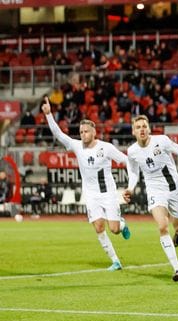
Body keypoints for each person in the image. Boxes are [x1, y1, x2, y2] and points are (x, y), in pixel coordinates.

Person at [42, 97, 131, 271]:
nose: (83, 135)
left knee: (113, 229)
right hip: (91, 195)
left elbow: (126, 161)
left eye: (86, 132)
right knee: (98, 227)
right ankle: (115, 261)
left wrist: (132, 182)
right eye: (81, 132)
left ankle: (122, 224)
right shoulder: (76, 146)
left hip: (108, 193)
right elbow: (59, 135)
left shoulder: (106, 148)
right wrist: (48, 115)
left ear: (94, 132)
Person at [123, 115, 178, 284]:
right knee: (162, 226)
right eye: (138, 127)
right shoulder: (132, 151)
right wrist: (130, 188)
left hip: (173, 188)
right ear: (133, 131)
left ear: (149, 129)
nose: (142, 129)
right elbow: (133, 172)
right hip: (155, 190)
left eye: (144, 126)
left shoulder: (162, 141)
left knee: (177, 226)